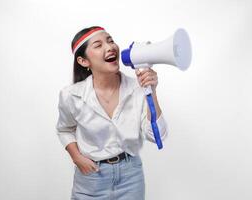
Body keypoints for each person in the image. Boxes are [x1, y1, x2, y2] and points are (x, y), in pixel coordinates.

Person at [56, 26, 168, 200]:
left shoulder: (137, 89)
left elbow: (157, 135)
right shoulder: (71, 95)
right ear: (84, 61)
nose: (110, 47)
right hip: (91, 179)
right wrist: (76, 157)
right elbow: (64, 129)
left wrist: (151, 91)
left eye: (110, 40)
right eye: (98, 45)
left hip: (131, 177)